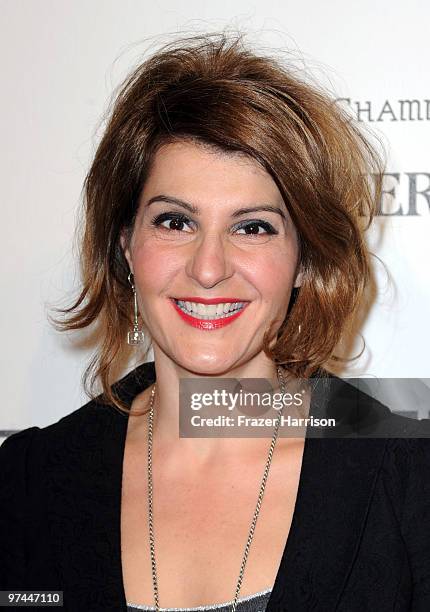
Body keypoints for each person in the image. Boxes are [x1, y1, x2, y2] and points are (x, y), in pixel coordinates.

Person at [1, 32, 430, 612]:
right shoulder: (27, 482)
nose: (208, 269)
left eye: (252, 227)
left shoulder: (408, 481)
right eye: (175, 222)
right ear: (126, 245)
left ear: (304, 258)